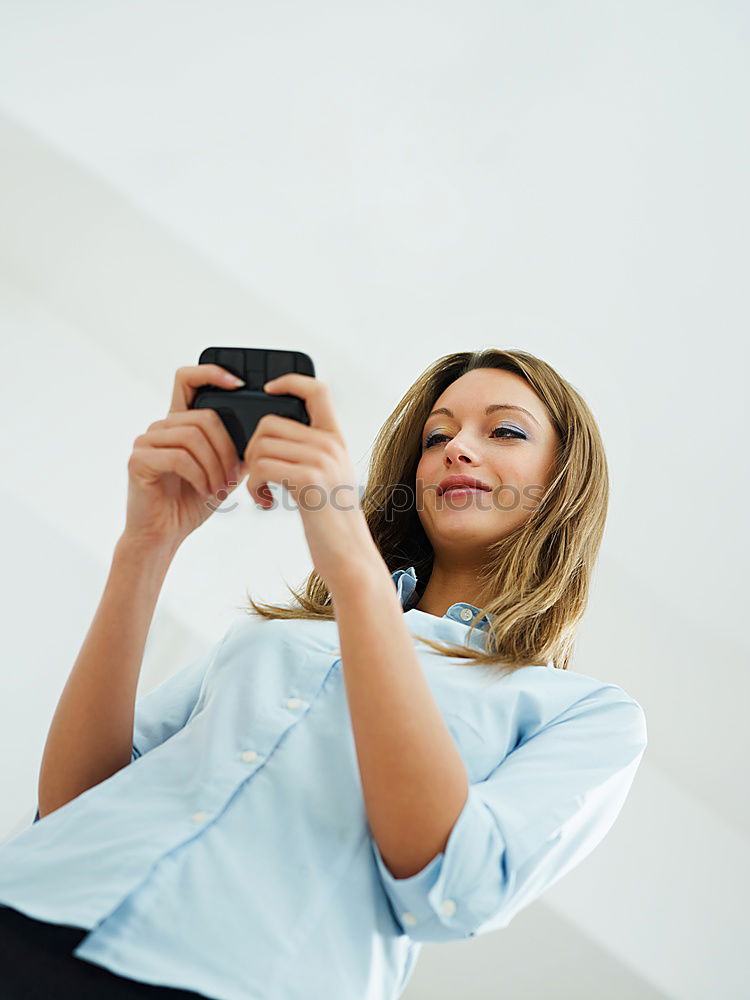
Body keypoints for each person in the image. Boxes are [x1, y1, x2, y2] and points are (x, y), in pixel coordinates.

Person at [0, 349, 647, 1000]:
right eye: (437, 436)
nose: (458, 450)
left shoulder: (584, 713)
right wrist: (145, 546)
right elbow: (73, 813)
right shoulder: (271, 639)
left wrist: (354, 567)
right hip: (26, 907)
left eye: (504, 430)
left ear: (565, 480)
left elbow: (455, 891)